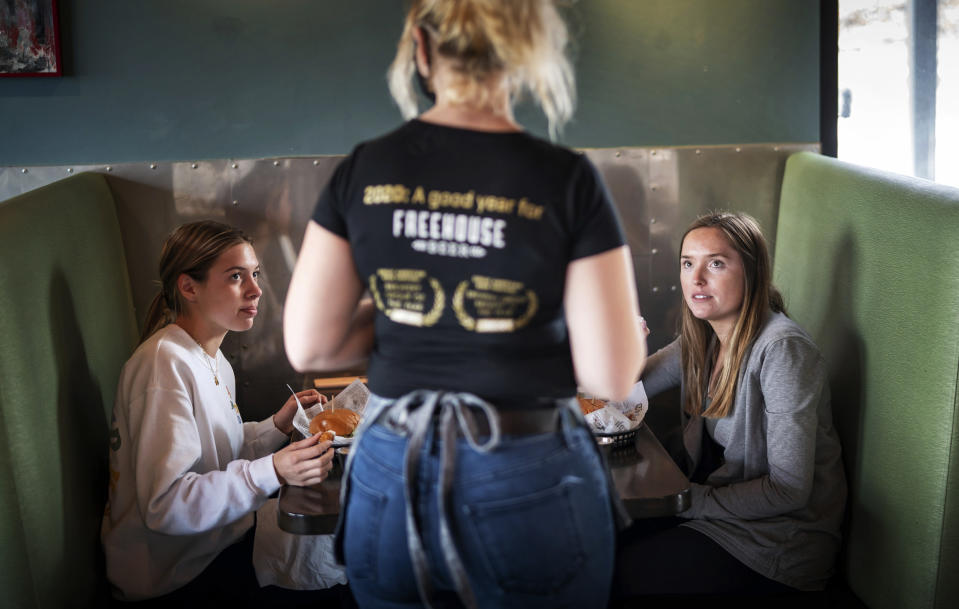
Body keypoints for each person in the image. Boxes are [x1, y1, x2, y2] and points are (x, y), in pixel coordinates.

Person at [283, 1, 646, 607]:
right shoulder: (566, 178)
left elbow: (312, 344)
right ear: (523, 53)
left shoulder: (365, 169)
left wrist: (410, 317)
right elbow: (610, 372)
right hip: (528, 462)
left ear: (421, 50)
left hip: (390, 468)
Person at [101, 220, 346, 607]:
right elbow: (165, 506)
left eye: (255, 274)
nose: (255, 290)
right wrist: (274, 471)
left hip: (211, 547)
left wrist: (275, 427)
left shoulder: (208, 357)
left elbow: (215, 453)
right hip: (174, 579)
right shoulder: (165, 366)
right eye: (236, 276)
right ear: (188, 287)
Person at [610, 212, 847, 603]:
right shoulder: (702, 338)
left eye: (716, 263)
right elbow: (629, 392)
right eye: (688, 263)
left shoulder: (783, 350)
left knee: (623, 578)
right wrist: (628, 349)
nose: (696, 279)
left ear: (751, 273)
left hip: (778, 545)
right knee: (594, 543)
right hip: (720, 514)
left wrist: (687, 500)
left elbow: (789, 491)